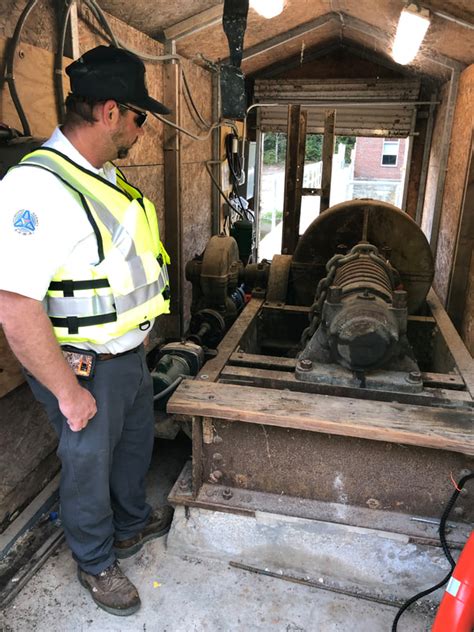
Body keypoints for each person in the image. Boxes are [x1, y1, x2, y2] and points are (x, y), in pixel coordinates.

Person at [0, 45, 174, 617]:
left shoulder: (102, 177)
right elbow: (15, 307)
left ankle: (129, 525)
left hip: (124, 355)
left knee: (132, 448)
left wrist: (138, 340)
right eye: (138, 116)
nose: (141, 129)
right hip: (81, 364)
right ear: (108, 112)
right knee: (87, 462)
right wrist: (68, 393)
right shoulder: (36, 189)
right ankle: (96, 561)